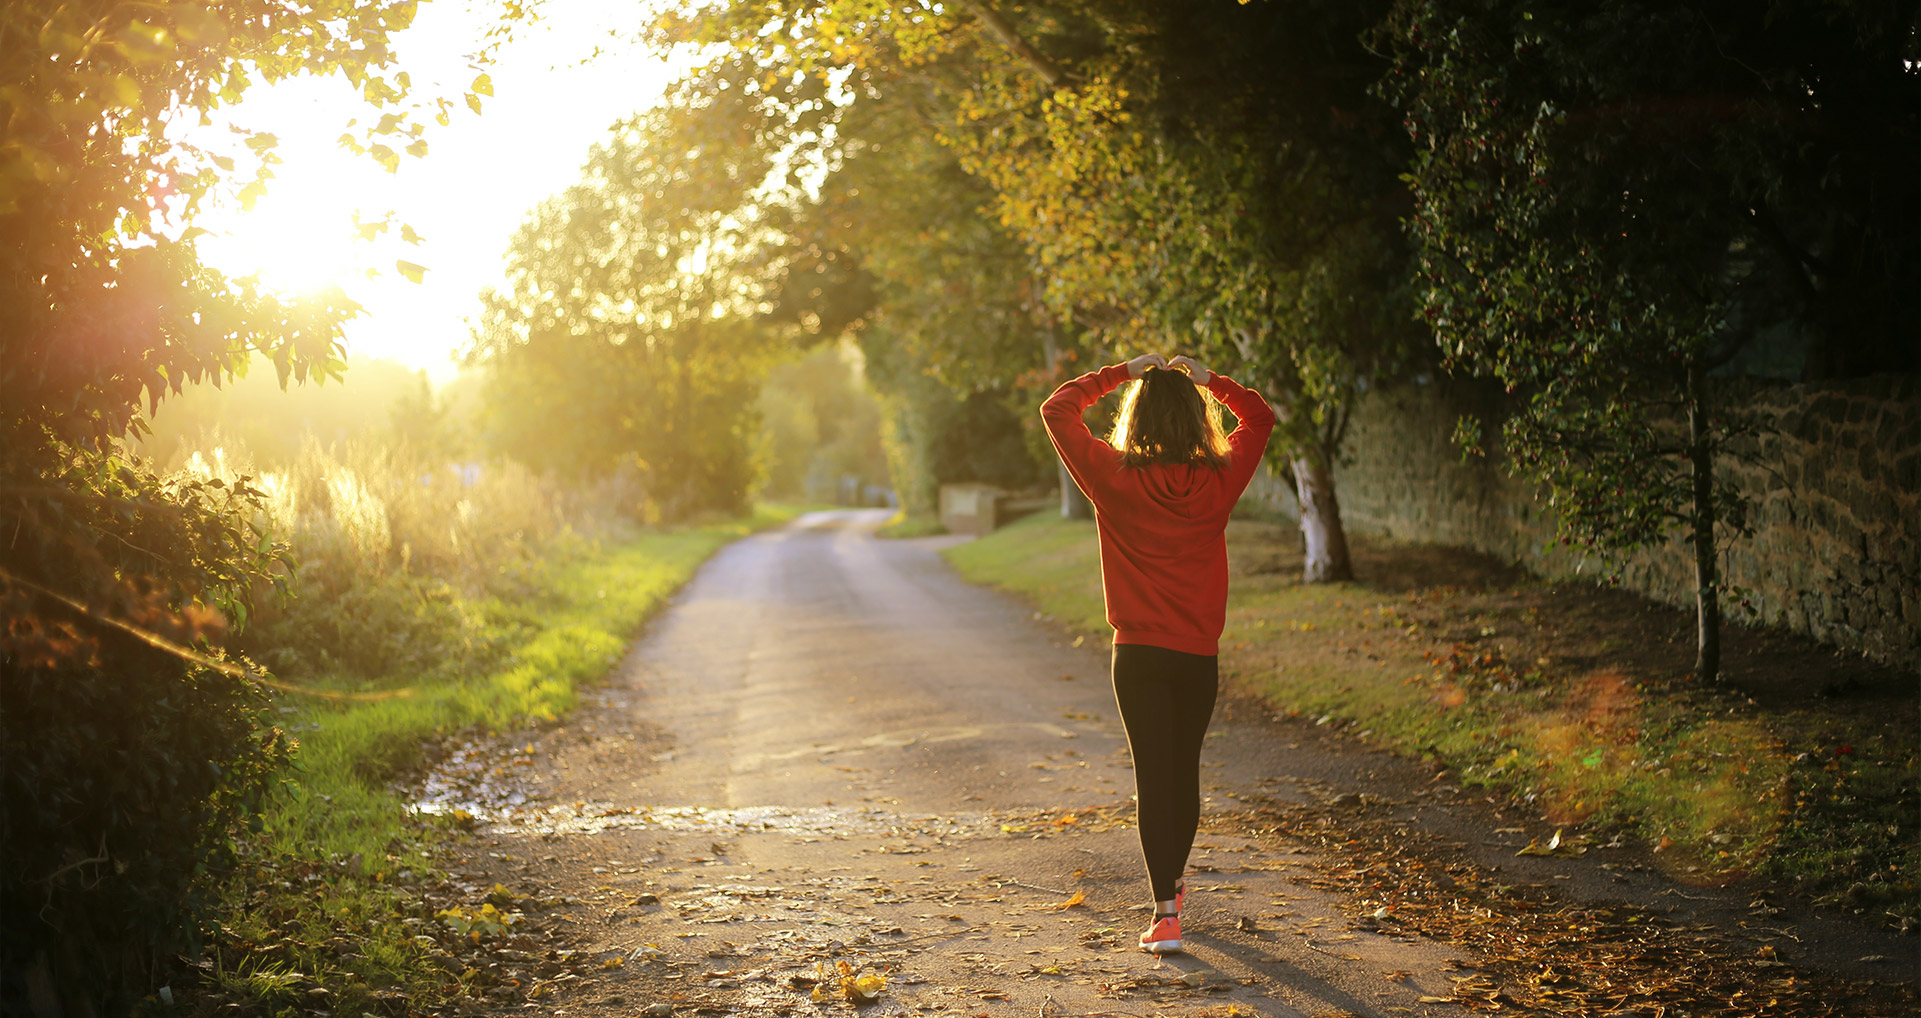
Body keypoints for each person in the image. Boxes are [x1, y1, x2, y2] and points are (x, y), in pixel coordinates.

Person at [1039, 352, 1276, 954]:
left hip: (1138, 655)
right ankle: (1170, 886)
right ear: (1197, 420)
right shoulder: (1221, 478)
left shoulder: (1112, 476)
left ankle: (1165, 912)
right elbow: (1261, 416)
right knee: (1184, 772)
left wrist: (1120, 372)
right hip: (1197, 655)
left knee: (1154, 777)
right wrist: (1211, 382)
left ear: (1136, 418)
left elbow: (1057, 409)